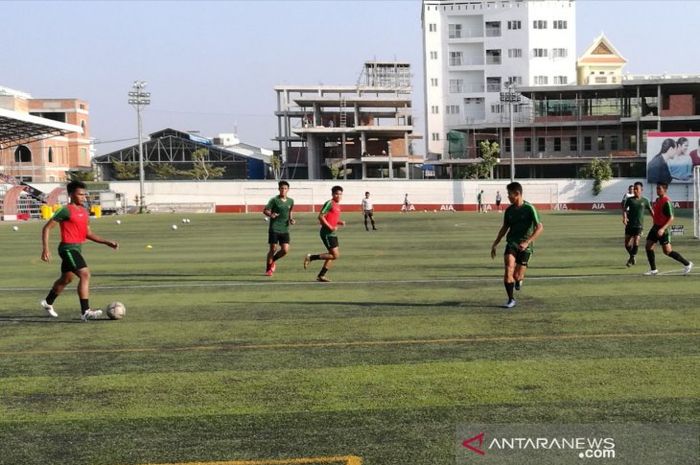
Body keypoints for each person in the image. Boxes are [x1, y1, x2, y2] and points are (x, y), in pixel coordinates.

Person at [40, 180, 119, 321]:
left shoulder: (84, 211)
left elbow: (88, 233)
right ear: (71, 195)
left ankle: (48, 302)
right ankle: (85, 311)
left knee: (66, 279)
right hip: (67, 248)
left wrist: (106, 242)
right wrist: (46, 249)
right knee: (85, 274)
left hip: (77, 248)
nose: (84, 197)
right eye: (80, 194)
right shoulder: (65, 210)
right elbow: (46, 228)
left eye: (84, 194)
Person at [490, 182, 544, 309]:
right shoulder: (509, 210)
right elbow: (504, 228)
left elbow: (540, 227)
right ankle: (511, 299)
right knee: (509, 267)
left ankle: (519, 280)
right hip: (512, 243)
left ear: (517, 194)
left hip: (525, 245)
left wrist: (527, 242)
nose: (508, 197)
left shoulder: (529, 208)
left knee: (517, 276)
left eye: (509, 194)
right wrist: (495, 243)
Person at [644, 182, 693, 276]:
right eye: (657, 188)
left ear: (665, 190)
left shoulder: (667, 202)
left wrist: (662, 229)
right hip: (655, 227)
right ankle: (653, 269)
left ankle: (687, 264)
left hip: (663, 229)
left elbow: (671, 218)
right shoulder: (658, 199)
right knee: (648, 246)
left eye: (659, 189)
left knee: (667, 251)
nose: (657, 190)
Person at [303, 185, 345, 282]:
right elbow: (321, 216)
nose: (338, 196)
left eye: (340, 194)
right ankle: (310, 257)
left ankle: (321, 276)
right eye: (336, 194)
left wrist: (339, 222)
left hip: (333, 233)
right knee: (335, 255)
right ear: (332, 194)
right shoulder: (329, 203)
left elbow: (331, 218)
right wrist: (330, 227)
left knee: (332, 255)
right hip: (327, 233)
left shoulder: (337, 205)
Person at [263, 180, 295, 276]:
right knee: (273, 249)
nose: (283, 190)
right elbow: (265, 210)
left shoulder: (291, 201)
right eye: (281, 188)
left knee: (285, 250)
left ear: (288, 190)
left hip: (285, 229)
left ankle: (273, 261)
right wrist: (271, 214)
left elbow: (290, 211)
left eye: (285, 188)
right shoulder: (274, 200)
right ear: (279, 189)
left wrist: (291, 219)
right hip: (274, 227)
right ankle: (268, 269)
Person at [622, 182, 653, 267]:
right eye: (634, 189)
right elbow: (624, 209)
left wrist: (655, 219)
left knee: (636, 241)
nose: (635, 190)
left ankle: (632, 258)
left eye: (637, 189)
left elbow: (651, 211)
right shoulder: (629, 200)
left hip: (639, 225)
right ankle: (632, 257)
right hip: (629, 225)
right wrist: (624, 218)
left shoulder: (645, 200)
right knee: (627, 244)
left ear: (641, 190)